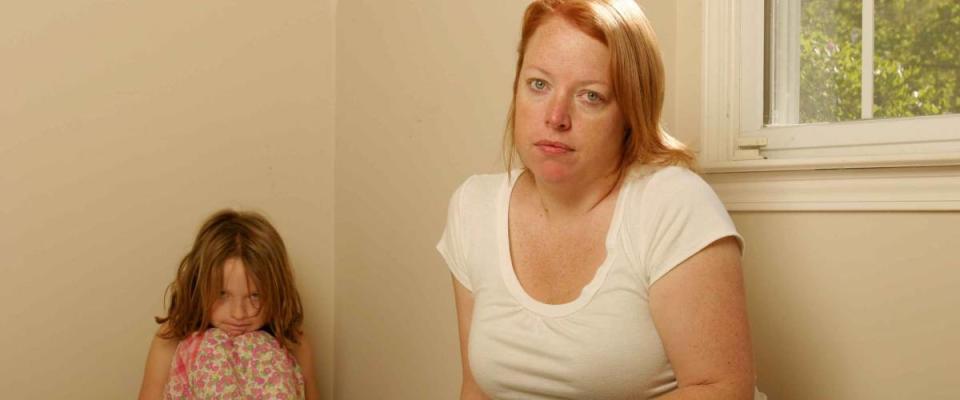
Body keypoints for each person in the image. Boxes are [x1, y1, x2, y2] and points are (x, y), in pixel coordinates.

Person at [437, 1, 764, 398]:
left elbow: (723, 389)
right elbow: (477, 388)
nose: (556, 116)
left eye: (590, 96)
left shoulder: (673, 204)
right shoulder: (473, 207)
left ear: (631, 112)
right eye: (539, 84)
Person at [138, 209, 319, 400]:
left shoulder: (293, 341)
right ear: (199, 287)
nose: (239, 314)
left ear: (276, 291)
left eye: (255, 296)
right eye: (222, 295)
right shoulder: (172, 337)